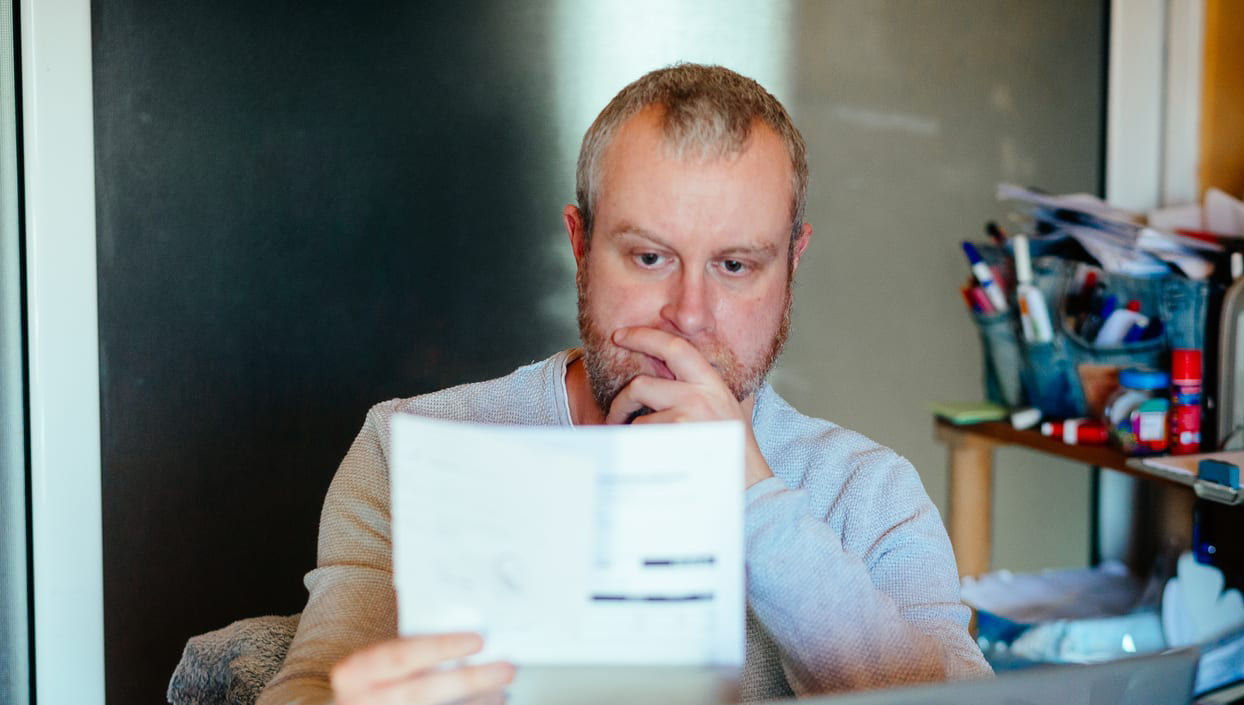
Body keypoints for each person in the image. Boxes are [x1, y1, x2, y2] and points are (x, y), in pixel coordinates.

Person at [258, 63, 991, 705]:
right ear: (580, 246)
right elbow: (311, 685)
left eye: (735, 265)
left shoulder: (868, 495)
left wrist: (756, 503)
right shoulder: (411, 449)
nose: (689, 316)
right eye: (648, 258)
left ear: (792, 264)